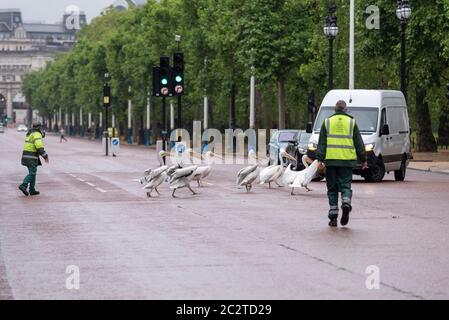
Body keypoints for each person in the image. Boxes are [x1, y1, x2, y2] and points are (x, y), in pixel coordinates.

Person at [316, 100, 368, 227]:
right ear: (345, 109)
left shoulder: (327, 122)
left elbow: (322, 143)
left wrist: (320, 159)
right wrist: (363, 159)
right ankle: (346, 202)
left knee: (332, 188)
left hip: (331, 162)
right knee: (345, 186)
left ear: (335, 109)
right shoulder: (352, 122)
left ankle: (333, 216)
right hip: (347, 161)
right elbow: (359, 143)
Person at [18, 123, 49, 196]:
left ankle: (32, 190)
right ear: (39, 128)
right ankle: (23, 185)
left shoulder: (31, 133)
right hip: (31, 156)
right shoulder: (36, 134)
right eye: (41, 128)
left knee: (33, 173)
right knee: (32, 173)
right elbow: (39, 146)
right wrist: (45, 156)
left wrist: (43, 134)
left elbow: (40, 136)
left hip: (27, 156)